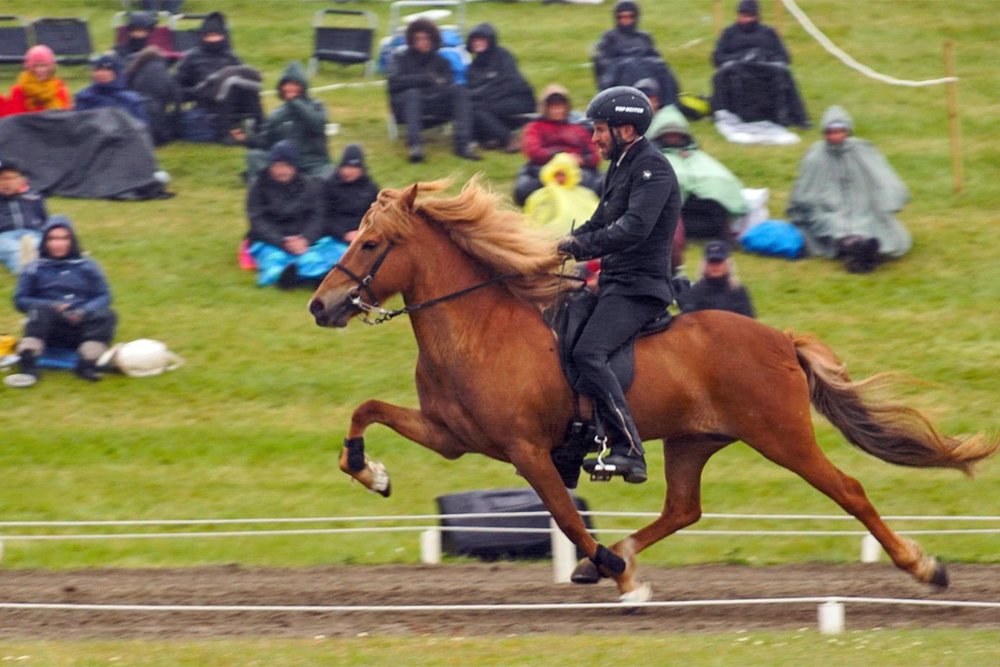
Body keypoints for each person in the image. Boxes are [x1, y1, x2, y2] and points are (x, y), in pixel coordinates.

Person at [557, 86, 681, 484]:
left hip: (640, 288)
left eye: (599, 130)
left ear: (626, 129)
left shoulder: (653, 169)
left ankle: (629, 448)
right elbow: (598, 221)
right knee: (561, 329)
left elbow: (633, 229)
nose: (593, 138)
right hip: (614, 282)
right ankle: (579, 440)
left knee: (589, 352)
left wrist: (581, 246)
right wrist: (558, 247)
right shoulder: (622, 164)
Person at [787, 106, 911, 273]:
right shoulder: (815, 156)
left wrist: (891, 199)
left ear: (847, 131)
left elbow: (883, 177)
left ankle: (862, 251)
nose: (836, 136)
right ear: (825, 133)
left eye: (840, 131)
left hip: (862, 207)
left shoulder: (863, 150)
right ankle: (855, 250)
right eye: (831, 132)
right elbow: (805, 194)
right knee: (834, 225)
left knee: (877, 226)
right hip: (828, 209)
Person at [9, 216, 116, 387]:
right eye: (53, 239)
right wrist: (52, 306)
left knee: (106, 314)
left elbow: (105, 296)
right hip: (48, 328)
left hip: (81, 327)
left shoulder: (87, 266)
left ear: (71, 241)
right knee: (39, 310)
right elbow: (20, 300)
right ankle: (29, 363)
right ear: (45, 242)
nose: (58, 243)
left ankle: (87, 363)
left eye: (63, 238)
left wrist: (83, 311)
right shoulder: (33, 268)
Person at [246, 141, 341, 289]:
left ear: (294, 166)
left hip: (303, 240)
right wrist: (282, 241)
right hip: (271, 241)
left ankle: (314, 278)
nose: (282, 171)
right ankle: (285, 278)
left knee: (313, 258)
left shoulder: (310, 185)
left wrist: (305, 239)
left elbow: (318, 215)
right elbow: (257, 220)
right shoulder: (258, 186)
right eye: (278, 166)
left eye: (287, 166)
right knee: (273, 260)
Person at [647, 104, 748, 239]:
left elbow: (723, 179)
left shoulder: (698, 157)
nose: (673, 138)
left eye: (676, 135)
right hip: (673, 211)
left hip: (700, 210)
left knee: (715, 208)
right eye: (668, 135)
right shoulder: (650, 158)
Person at [386, 18, 480, 163]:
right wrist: (424, 79)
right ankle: (415, 147)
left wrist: (437, 84)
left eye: (426, 39)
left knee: (459, 90)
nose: (422, 42)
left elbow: (447, 83)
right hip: (406, 106)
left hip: (434, 103)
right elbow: (394, 83)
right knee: (413, 94)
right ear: (411, 40)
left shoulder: (441, 61)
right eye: (418, 39)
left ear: (433, 40)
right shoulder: (400, 58)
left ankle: (463, 144)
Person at [710, 0, 808, 127]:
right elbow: (717, 58)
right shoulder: (729, 33)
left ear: (756, 16)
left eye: (749, 16)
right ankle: (722, 113)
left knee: (785, 74)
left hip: (764, 72)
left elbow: (784, 58)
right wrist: (740, 58)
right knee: (720, 76)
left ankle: (796, 116)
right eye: (742, 16)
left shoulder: (768, 33)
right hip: (737, 71)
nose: (745, 20)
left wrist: (764, 57)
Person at [173, 12, 263, 143]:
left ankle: (260, 129)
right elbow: (177, 83)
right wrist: (195, 93)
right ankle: (224, 134)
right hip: (206, 99)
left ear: (223, 36)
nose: (213, 39)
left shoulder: (231, 56)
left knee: (248, 86)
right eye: (209, 36)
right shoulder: (192, 58)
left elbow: (244, 76)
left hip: (235, 100)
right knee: (228, 83)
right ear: (202, 37)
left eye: (216, 35)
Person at [237, 61, 331, 179]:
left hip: (312, 163)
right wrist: (247, 139)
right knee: (255, 156)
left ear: (302, 86)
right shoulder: (277, 113)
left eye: (294, 84)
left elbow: (317, 125)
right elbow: (265, 142)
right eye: (287, 85)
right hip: (285, 164)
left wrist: (295, 102)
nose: (289, 88)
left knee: (328, 176)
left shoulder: (316, 105)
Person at [514, 85, 602, 207]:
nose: (557, 110)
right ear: (545, 108)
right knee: (523, 189)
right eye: (553, 106)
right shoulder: (535, 128)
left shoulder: (578, 130)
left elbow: (594, 156)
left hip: (578, 170)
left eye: (560, 105)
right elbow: (533, 151)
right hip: (544, 168)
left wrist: (580, 160)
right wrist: (561, 158)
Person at [465, 22, 535, 152]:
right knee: (473, 107)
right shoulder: (472, 68)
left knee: (479, 108)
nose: (477, 43)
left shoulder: (503, 55)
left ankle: (509, 139)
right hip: (493, 104)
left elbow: (510, 82)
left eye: (481, 39)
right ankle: (489, 137)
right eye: (474, 40)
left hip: (519, 99)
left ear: (490, 40)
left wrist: (485, 92)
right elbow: (473, 90)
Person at [593, 1, 680, 106]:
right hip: (620, 73)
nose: (626, 20)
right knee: (630, 65)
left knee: (659, 66)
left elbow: (655, 56)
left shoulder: (643, 37)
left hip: (645, 68)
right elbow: (604, 63)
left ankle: (669, 103)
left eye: (630, 16)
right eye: (622, 17)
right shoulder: (610, 37)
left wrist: (640, 58)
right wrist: (627, 57)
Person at [322, 144, 379, 244]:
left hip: (364, 234)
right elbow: (324, 215)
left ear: (361, 170)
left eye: (354, 167)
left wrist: (363, 231)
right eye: (346, 166)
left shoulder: (371, 188)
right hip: (336, 236)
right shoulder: (329, 185)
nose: (349, 171)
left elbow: (376, 215)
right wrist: (343, 234)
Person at [681, 241, 755, 317]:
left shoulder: (738, 292)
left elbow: (749, 322)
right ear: (705, 265)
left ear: (727, 264)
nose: (715, 266)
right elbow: (687, 320)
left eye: (719, 262)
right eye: (711, 262)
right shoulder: (696, 291)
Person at [74, 53, 150, 127]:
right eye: (97, 70)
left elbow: (141, 128)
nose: (101, 73)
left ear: (116, 73)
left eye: (106, 70)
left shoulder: (130, 100)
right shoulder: (84, 98)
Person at [0, 159, 47, 273]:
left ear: (22, 180)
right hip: (5, 236)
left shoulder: (33, 197)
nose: (6, 183)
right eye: (2, 179)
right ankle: (27, 273)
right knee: (13, 250)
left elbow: (44, 220)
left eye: (11, 178)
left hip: (32, 234)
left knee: (41, 245)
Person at [4, 46, 72, 115]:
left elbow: (65, 117)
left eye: (44, 66)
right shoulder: (19, 91)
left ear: (51, 67)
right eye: (36, 66)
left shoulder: (59, 89)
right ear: (29, 68)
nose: (40, 70)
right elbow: (16, 118)